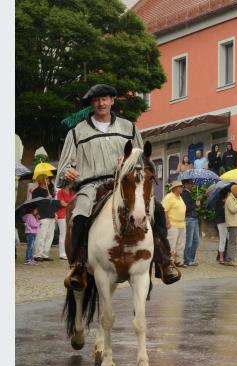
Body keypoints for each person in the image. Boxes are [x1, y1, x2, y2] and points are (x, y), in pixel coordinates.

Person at [56, 83, 180, 290]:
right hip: (90, 185)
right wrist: (67, 173)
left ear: (112, 101)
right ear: (91, 104)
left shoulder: (129, 127)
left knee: (156, 209)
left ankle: (164, 262)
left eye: (105, 99)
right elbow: (62, 169)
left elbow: (143, 159)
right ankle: (77, 266)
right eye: (96, 100)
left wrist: (131, 159)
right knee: (79, 214)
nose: (101, 103)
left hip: (124, 183)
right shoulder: (77, 132)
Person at [31, 174, 57, 261]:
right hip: (43, 215)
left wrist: (55, 213)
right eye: (46, 178)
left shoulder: (49, 190)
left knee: (50, 236)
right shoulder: (36, 191)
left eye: (48, 178)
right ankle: (37, 255)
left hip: (51, 215)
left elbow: (52, 204)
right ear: (41, 180)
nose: (48, 180)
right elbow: (36, 204)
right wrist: (46, 198)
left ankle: (45, 254)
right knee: (41, 236)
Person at [163, 181, 187, 267]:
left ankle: (179, 261)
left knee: (181, 245)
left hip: (182, 224)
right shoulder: (169, 197)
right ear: (175, 188)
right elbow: (164, 210)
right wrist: (167, 222)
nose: (182, 188)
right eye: (180, 187)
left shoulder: (180, 197)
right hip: (172, 224)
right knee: (171, 244)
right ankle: (170, 262)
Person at [223, 184, 237, 267]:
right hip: (232, 224)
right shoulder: (229, 199)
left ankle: (230, 258)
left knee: (234, 242)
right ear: (234, 190)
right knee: (232, 242)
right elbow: (233, 209)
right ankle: (230, 260)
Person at [181, 179, 200, 266]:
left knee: (196, 241)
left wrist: (195, 202)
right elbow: (186, 208)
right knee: (189, 241)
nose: (192, 185)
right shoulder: (185, 194)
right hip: (189, 219)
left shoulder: (188, 194)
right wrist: (195, 204)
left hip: (194, 218)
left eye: (192, 183)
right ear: (185, 184)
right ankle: (187, 259)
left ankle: (191, 259)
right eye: (190, 183)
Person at [55, 182, 74, 260]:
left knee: (69, 235)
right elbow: (62, 203)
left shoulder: (72, 192)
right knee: (63, 234)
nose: (71, 184)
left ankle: (68, 252)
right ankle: (62, 253)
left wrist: (68, 204)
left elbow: (72, 202)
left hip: (71, 214)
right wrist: (70, 204)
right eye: (70, 182)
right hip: (62, 215)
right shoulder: (60, 192)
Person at [212, 186, 228, 263]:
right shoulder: (220, 202)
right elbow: (219, 213)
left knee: (225, 240)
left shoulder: (225, 201)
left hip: (224, 222)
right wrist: (224, 207)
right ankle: (221, 257)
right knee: (223, 240)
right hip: (221, 222)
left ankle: (221, 256)